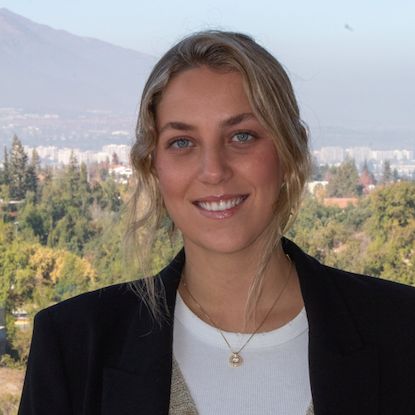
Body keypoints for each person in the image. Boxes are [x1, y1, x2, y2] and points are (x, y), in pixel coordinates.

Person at [19, 31, 415, 415]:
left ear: (289, 151)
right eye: (182, 142)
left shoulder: (402, 330)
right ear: (153, 166)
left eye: (241, 136)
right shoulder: (73, 344)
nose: (213, 170)